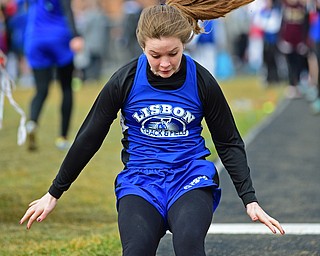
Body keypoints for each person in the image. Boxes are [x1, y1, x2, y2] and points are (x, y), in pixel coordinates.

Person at [20, 1, 285, 255]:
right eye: (155, 55)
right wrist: (54, 192)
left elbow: (228, 142)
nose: (165, 63)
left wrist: (249, 199)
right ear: (142, 47)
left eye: (173, 53)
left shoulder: (202, 81)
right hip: (141, 181)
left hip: (189, 179)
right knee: (136, 250)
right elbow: (90, 136)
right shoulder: (124, 80)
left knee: (189, 246)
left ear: (184, 44)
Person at [23, 0, 84, 151]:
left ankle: (32, 122)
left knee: (41, 89)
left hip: (35, 39)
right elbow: (67, 10)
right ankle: (62, 138)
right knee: (66, 89)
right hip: (59, 39)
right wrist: (76, 35)